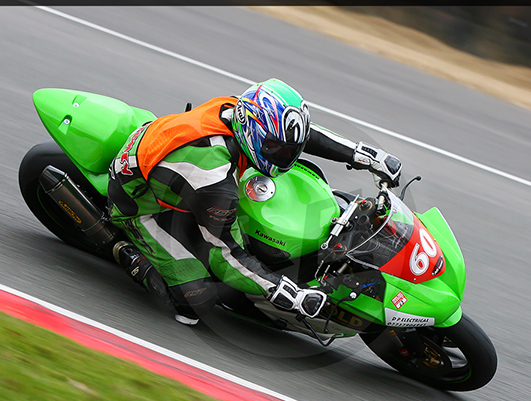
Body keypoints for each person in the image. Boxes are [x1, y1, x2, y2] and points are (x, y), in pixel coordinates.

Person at [107, 78, 402, 325]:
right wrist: (287, 292)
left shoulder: (245, 112)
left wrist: (364, 155)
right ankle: (125, 250)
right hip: (141, 203)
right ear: (253, 133)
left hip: (169, 158)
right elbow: (224, 254)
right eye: (274, 148)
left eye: (287, 150)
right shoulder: (214, 181)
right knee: (197, 302)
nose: (284, 157)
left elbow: (304, 135)